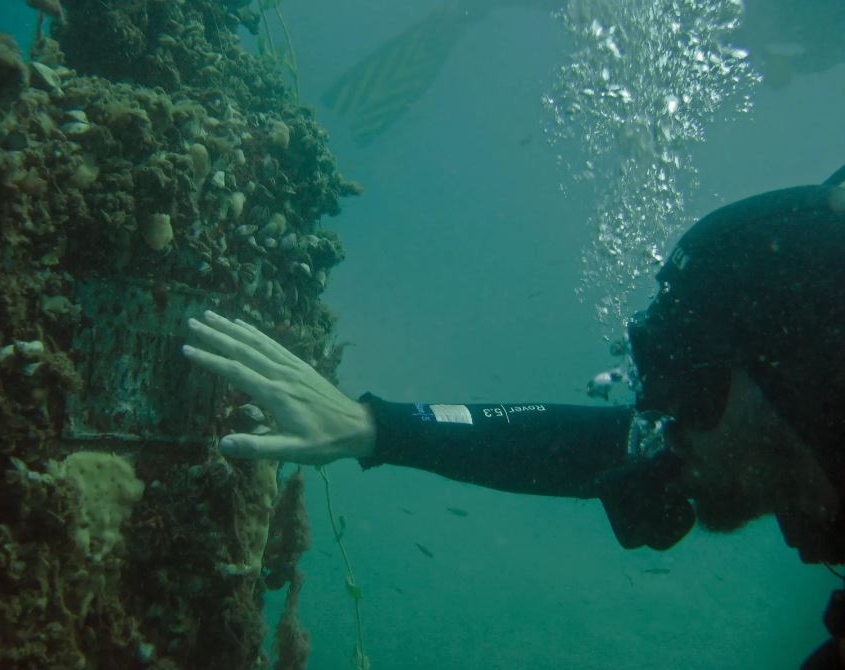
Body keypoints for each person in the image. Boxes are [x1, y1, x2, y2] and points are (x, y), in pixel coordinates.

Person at [182, 165, 845, 668]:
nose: (665, 429)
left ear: (804, 382)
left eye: (693, 391)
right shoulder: (742, 436)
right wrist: (378, 428)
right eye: (658, 396)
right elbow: (574, 445)